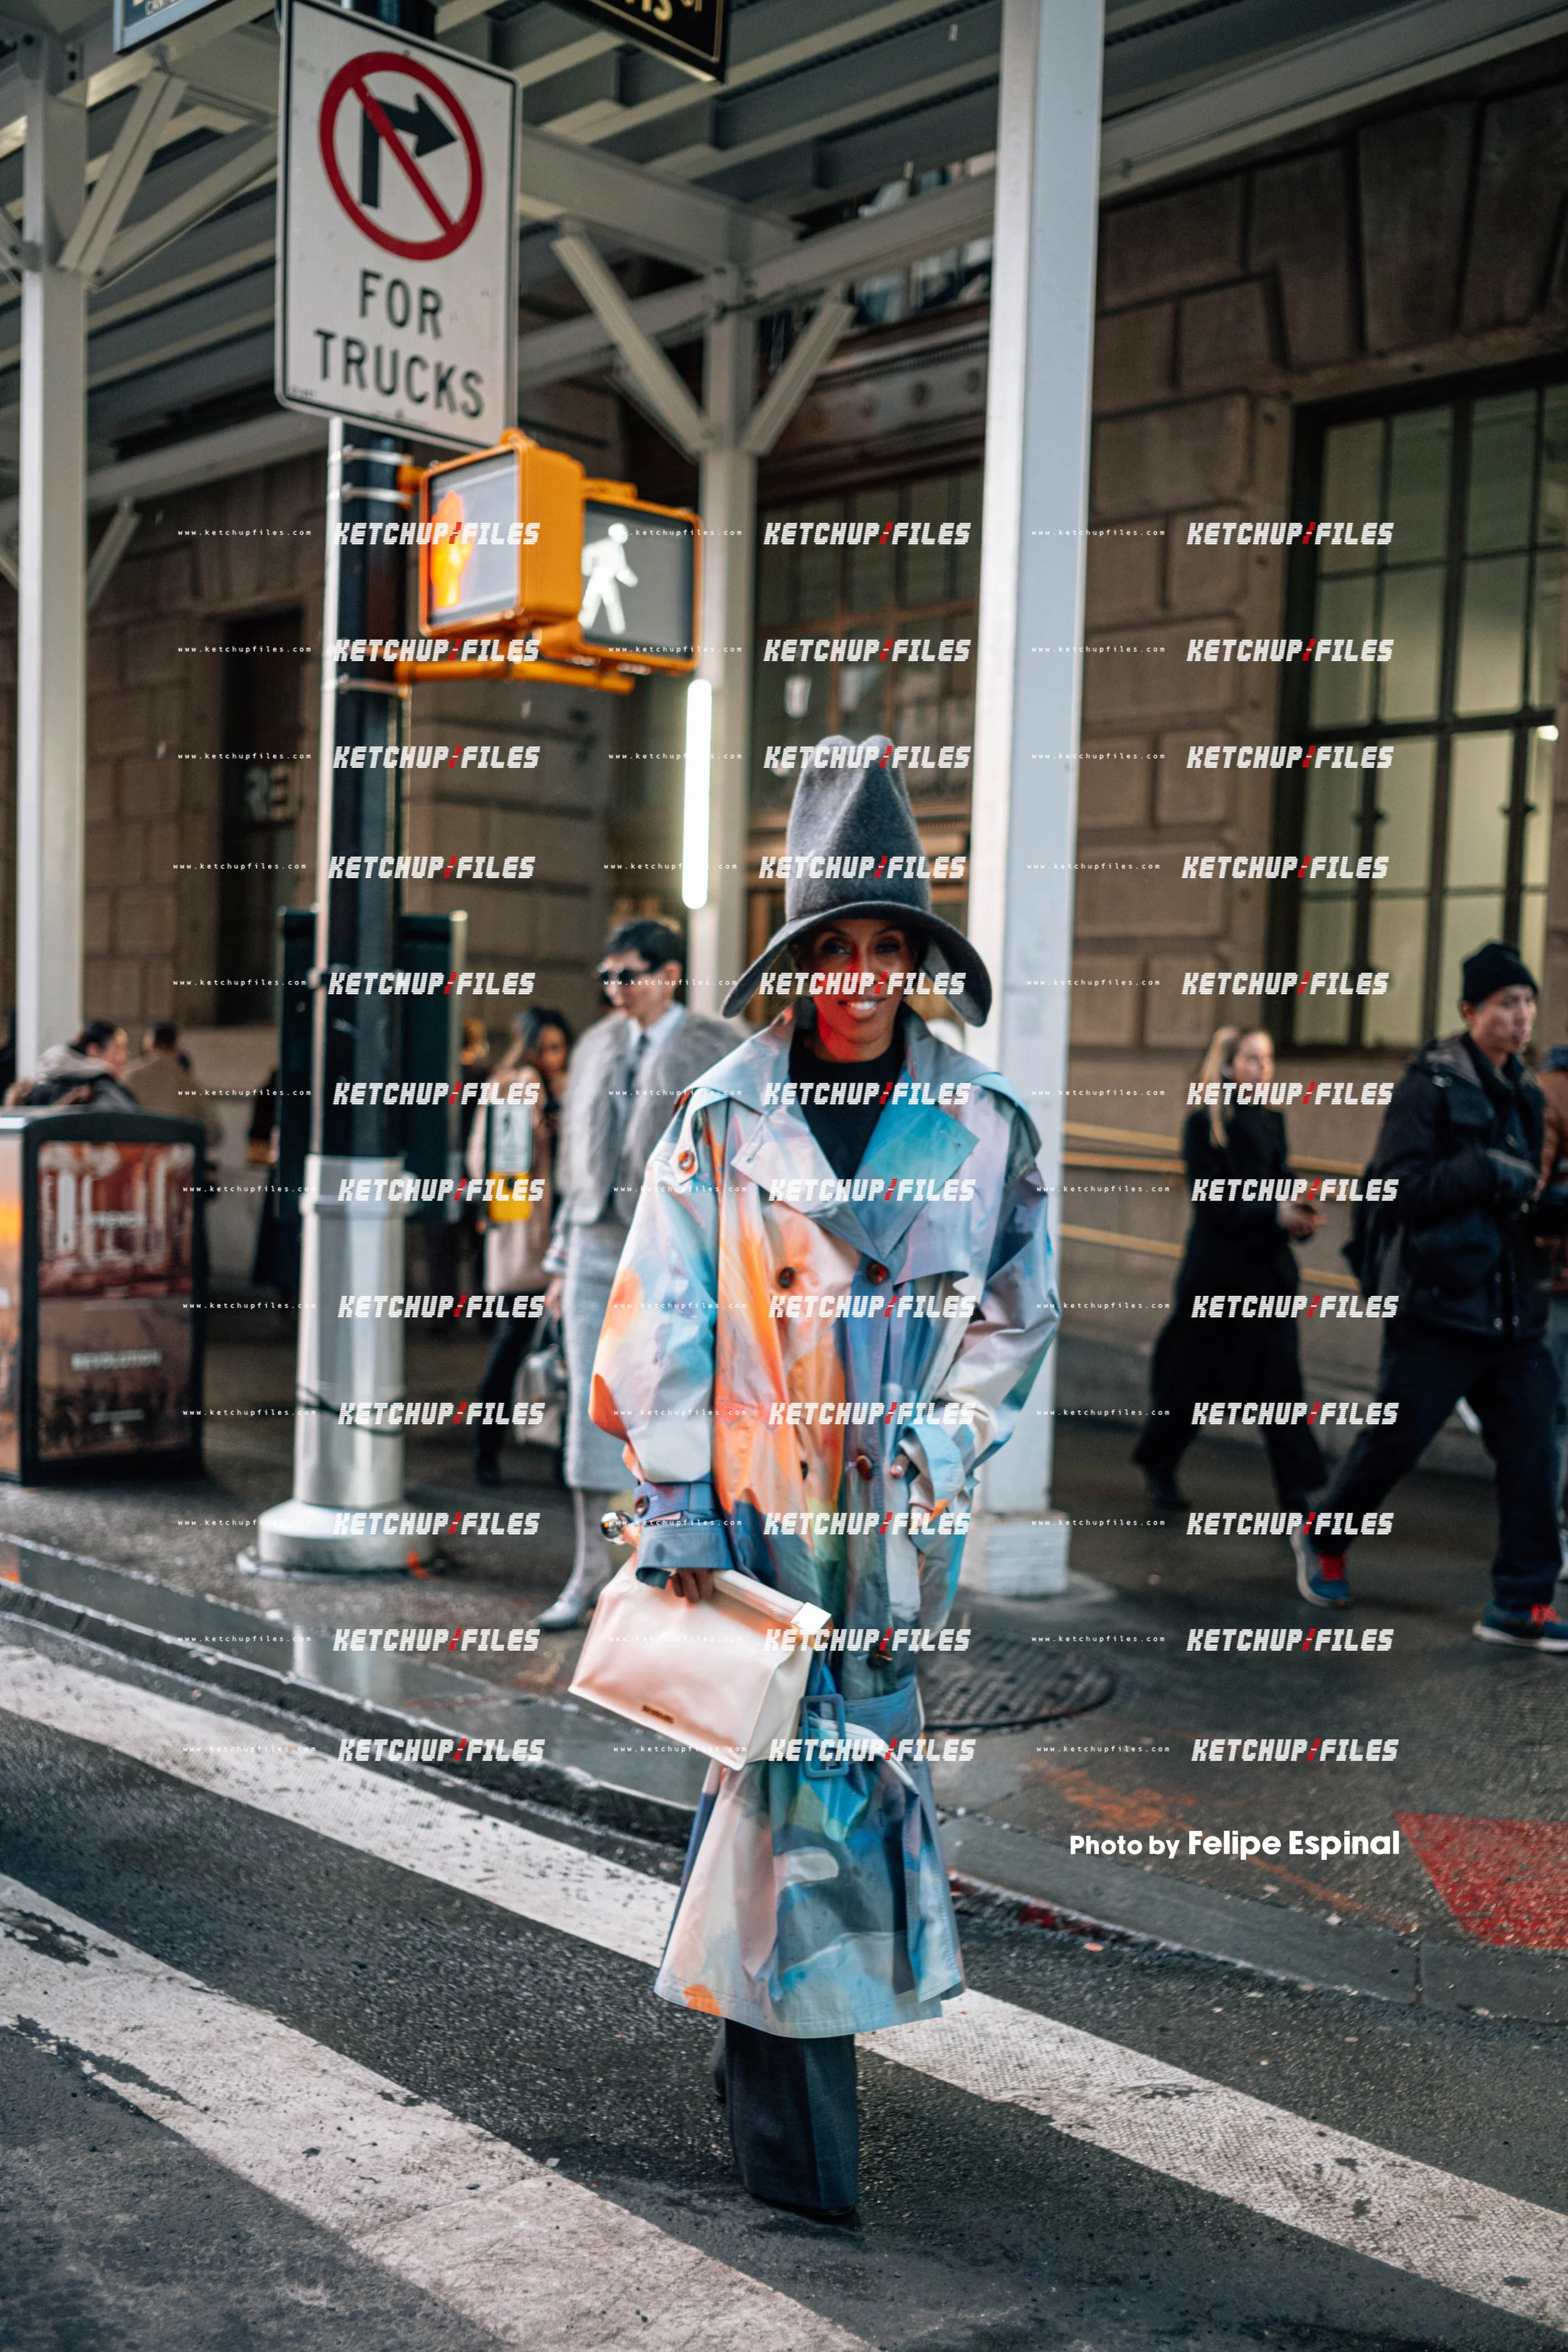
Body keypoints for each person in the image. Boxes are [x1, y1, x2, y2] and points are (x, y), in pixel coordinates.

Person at [588, 737, 1058, 2223]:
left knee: (804, 1801)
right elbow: (656, 1321)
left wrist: (944, 1443)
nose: (861, 975)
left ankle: (765, 2083)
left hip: (887, 1540)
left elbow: (1018, 1314)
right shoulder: (719, 1122)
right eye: (834, 947)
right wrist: (672, 1503)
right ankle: (805, 2163)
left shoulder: (985, 1129)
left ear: (917, 958)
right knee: (790, 1801)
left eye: (887, 947)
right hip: (743, 1519)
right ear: (797, 962)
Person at [1291, 941, 1568, 1650]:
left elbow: (1523, 1201)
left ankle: (1521, 1602)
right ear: (1470, 1011)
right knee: (1396, 1440)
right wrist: (1483, 1170)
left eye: (1527, 1002)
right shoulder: (1429, 1086)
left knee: (1534, 1452)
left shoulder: (1528, 1096)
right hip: (1438, 1307)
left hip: (1514, 1314)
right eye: (1506, 1003)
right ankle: (1324, 1536)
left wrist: (1548, 1208)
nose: (1520, 1016)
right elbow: (1400, 1188)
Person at [535, 919, 735, 1630]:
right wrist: (559, 1258)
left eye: (629, 974)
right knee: (593, 1415)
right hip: (592, 1243)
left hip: (672, 1250)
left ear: (668, 974)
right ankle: (590, 1571)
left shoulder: (714, 1047)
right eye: (608, 976)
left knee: (668, 1412)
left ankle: (661, 1569)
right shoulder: (593, 1046)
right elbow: (572, 1163)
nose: (615, 989)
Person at [1133, 1025, 1324, 1513]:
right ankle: (1160, 1462)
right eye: (1253, 1059)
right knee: (1191, 1382)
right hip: (1216, 1280)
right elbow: (1214, 1201)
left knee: (1282, 1386)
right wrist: (1271, 1212)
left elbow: (1281, 1179)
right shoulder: (1205, 1126)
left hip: (1268, 1280)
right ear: (1228, 1066)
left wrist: (1298, 1214)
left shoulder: (1272, 1122)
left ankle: (1297, 1494)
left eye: (1268, 1059)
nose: (1264, 1069)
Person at [464, 1007, 572, 1485]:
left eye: (559, 1047)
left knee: (557, 1351)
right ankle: (487, 1449)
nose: (552, 1058)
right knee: (515, 1345)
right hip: (529, 1241)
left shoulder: (560, 1088)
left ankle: (559, 1455)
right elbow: (491, 1162)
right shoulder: (517, 1085)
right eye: (544, 1047)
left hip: (556, 1240)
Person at [1536, 1028, 1568, 1567]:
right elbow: (1530, 1194)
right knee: (1554, 1413)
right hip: (1558, 1284)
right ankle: (1548, 1533)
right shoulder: (1551, 1092)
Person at [125, 1023, 223, 1151]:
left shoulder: (132, 1078)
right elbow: (214, 1132)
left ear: (150, 1044)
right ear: (176, 1046)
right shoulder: (192, 1085)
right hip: (179, 1164)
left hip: (139, 1160)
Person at [25, 1022, 139, 1109]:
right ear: (93, 1051)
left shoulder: (35, 1091)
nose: (123, 1057)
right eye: (117, 1049)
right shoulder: (104, 1091)